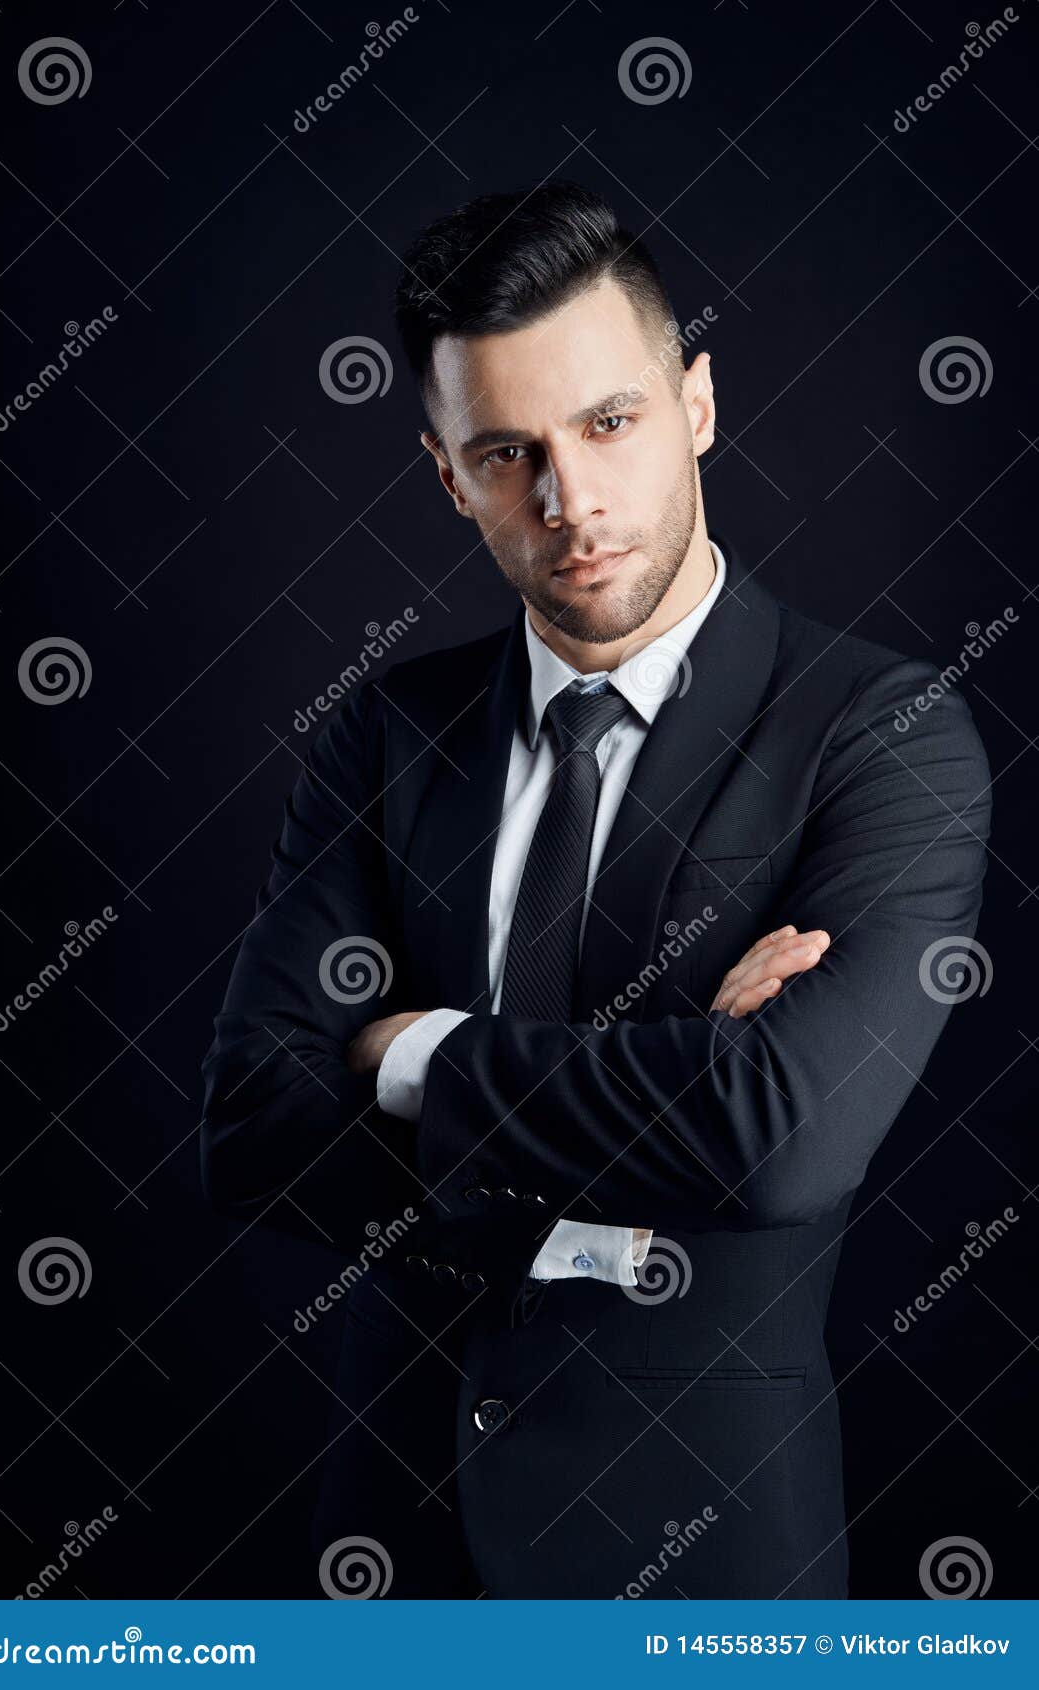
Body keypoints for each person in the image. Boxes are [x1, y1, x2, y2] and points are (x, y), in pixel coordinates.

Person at [200, 181, 991, 1599]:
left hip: (709, 1567)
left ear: (695, 402)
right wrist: (656, 1114)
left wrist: (409, 1051)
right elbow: (253, 1123)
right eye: (508, 453)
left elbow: (776, 1138)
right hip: (396, 1545)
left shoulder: (880, 733)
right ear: (448, 473)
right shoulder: (390, 734)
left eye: (610, 424)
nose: (571, 503)